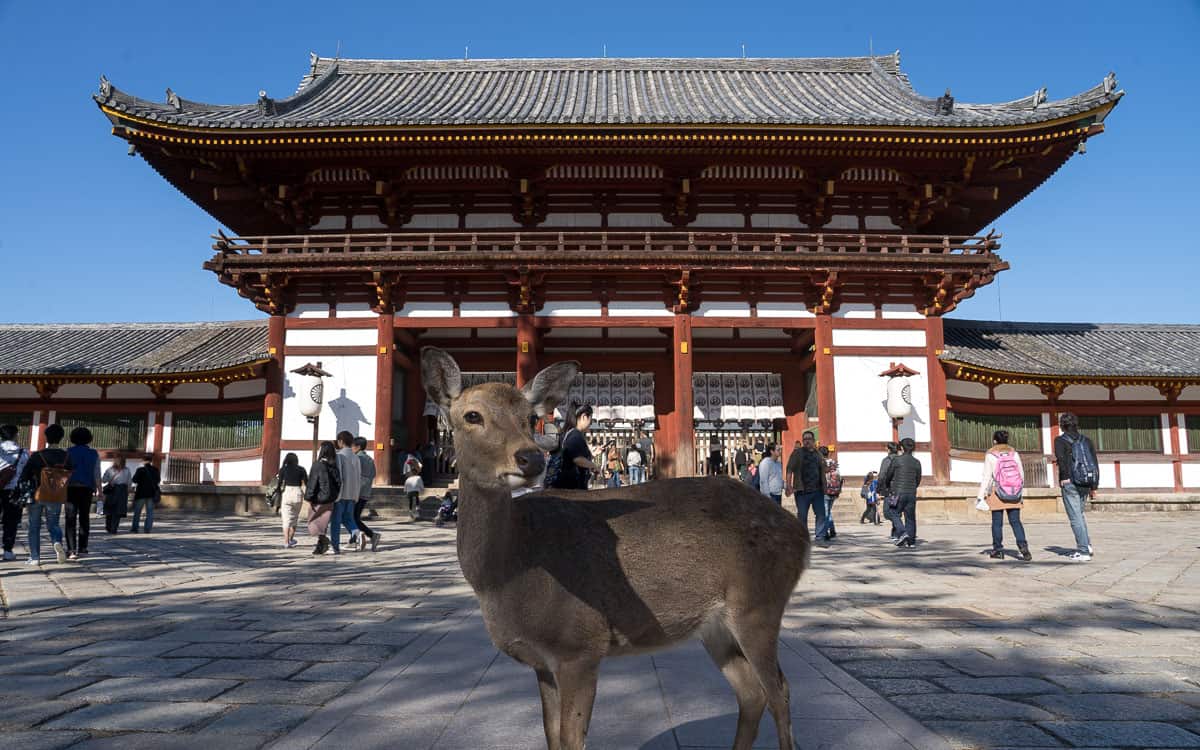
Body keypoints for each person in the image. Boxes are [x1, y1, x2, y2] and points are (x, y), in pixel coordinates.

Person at [977, 430, 1031, 561]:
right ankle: (1024, 548)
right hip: (1014, 491)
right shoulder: (1014, 453)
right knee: (1016, 521)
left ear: (994, 441)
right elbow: (1021, 474)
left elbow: (986, 477)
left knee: (997, 523)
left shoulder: (991, 455)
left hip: (998, 491)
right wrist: (1019, 490)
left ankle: (998, 550)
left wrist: (980, 495)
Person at [20, 423, 69, 565]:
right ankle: (57, 542)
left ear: (46, 438)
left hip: (37, 493)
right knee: (53, 524)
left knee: (34, 526)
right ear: (61, 438)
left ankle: (35, 557)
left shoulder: (38, 455)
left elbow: (25, 474)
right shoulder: (66, 456)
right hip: (56, 494)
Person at [1054, 412, 1095, 561]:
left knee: (1075, 517)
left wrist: (1064, 477)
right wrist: (1094, 485)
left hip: (1070, 481)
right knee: (1080, 514)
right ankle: (1087, 544)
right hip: (1085, 481)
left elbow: (1062, 459)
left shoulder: (1060, 440)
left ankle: (1083, 551)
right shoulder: (1086, 440)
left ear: (1062, 425)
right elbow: (1094, 462)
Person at [65, 427, 101, 560]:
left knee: (70, 518)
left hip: (71, 488)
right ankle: (83, 547)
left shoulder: (67, 452)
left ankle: (71, 549)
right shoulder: (93, 454)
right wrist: (100, 491)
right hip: (87, 488)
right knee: (84, 517)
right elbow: (96, 473)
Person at [878, 437, 921, 548]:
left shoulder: (896, 460)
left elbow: (889, 475)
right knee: (910, 517)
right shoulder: (917, 462)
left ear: (901, 447)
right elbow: (918, 478)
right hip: (911, 492)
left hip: (897, 492)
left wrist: (886, 485)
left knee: (893, 512)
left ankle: (903, 532)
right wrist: (913, 487)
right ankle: (911, 542)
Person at [786, 432, 826, 534]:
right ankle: (803, 536)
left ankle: (820, 536)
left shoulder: (818, 454)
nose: (807, 441)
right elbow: (789, 469)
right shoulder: (797, 453)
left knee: (821, 514)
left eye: (809, 439)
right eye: (804, 439)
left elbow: (822, 469)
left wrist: (825, 486)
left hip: (817, 490)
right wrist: (789, 485)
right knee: (802, 516)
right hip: (801, 491)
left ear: (813, 440)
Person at [0, 424, 30, 562]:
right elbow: (27, 472)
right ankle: (7, 550)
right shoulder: (23, 452)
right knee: (10, 521)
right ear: (15, 435)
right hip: (14, 490)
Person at [328, 431, 362, 554]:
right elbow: (359, 477)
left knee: (336, 521)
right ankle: (356, 532)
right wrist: (356, 495)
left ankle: (335, 546)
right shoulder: (356, 457)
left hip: (341, 494)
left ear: (341, 441)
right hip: (353, 493)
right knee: (347, 518)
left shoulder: (339, 456)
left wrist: (337, 495)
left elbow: (340, 476)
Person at [305, 441, 340, 555]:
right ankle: (321, 545)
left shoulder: (317, 465)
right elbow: (339, 482)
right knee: (323, 523)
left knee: (313, 522)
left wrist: (309, 497)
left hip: (318, 499)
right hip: (330, 499)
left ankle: (323, 541)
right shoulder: (333, 465)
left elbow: (312, 482)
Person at [553, 405, 596, 490]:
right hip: (573, 488)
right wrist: (594, 466)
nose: (591, 424)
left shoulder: (568, 433)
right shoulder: (576, 435)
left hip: (565, 485)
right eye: (591, 420)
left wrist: (592, 454)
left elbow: (571, 455)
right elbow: (577, 459)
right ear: (584, 417)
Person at [352, 437, 381, 552]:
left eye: (353, 446)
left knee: (352, 518)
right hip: (366, 492)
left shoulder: (357, 458)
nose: (351, 448)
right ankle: (354, 540)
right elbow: (374, 474)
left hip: (357, 492)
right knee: (354, 517)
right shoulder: (369, 459)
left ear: (358, 447)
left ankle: (371, 535)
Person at [276, 452, 307, 548]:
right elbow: (307, 482)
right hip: (297, 492)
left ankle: (286, 542)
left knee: (286, 519)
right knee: (294, 518)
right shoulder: (301, 469)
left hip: (287, 493)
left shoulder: (283, 470)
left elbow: (279, 484)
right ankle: (291, 539)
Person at [814, 446, 842, 541]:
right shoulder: (834, 463)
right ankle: (832, 529)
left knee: (825, 513)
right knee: (828, 511)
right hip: (834, 490)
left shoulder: (821, 463)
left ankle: (825, 532)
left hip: (825, 491)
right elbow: (840, 477)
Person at [130, 455, 161, 533]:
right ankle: (147, 528)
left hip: (141, 493)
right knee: (150, 512)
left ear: (143, 461)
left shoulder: (140, 470)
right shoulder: (155, 470)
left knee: (137, 512)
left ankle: (135, 528)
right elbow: (158, 480)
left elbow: (134, 480)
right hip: (151, 493)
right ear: (151, 461)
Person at [878, 442, 902, 541]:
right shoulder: (901, 459)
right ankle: (895, 533)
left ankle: (901, 528)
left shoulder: (887, 460)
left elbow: (882, 475)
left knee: (887, 512)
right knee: (895, 511)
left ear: (888, 449)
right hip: (900, 488)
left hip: (890, 489)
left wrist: (878, 489)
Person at [101, 456, 131, 534]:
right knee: (118, 511)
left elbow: (104, 480)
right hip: (122, 491)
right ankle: (114, 528)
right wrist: (127, 492)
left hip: (112, 490)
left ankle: (108, 526)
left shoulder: (110, 470)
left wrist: (109, 480)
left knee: (109, 509)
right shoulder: (127, 470)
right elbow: (129, 483)